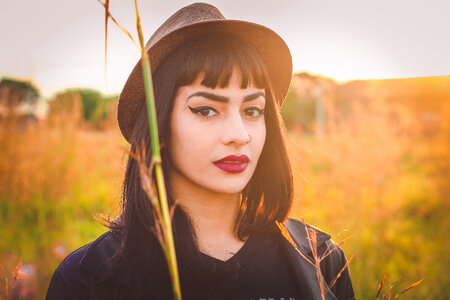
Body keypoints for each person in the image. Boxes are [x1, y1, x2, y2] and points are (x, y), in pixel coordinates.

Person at [46, 3, 354, 300]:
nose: (239, 135)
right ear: (158, 124)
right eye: (205, 110)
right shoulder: (87, 281)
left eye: (252, 110)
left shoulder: (321, 262)